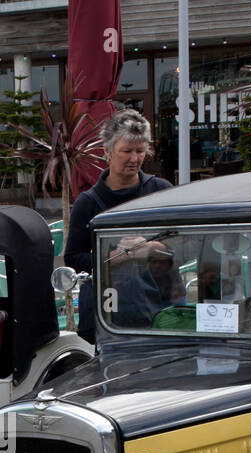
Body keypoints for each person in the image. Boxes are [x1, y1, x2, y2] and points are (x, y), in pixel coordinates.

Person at [64, 108, 173, 344]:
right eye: (126, 151)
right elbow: (73, 258)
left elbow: (182, 244)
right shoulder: (88, 203)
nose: (134, 159)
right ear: (108, 152)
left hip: (159, 309)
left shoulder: (161, 192)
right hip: (105, 314)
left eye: (140, 151)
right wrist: (115, 256)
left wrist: (151, 247)